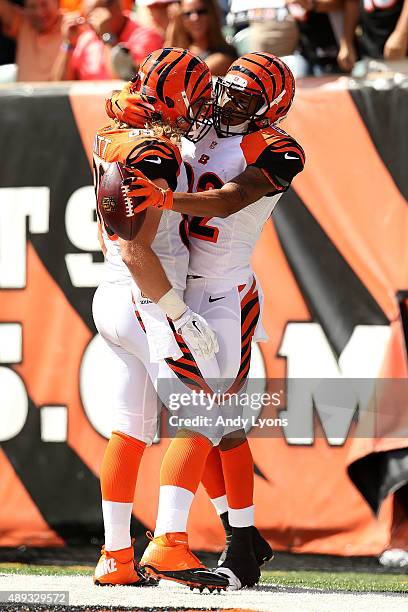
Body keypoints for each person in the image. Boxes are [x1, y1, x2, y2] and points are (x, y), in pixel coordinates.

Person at [126, 52, 305, 589]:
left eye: (245, 98)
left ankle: (177, 542)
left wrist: (161, 198)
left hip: (226, 293)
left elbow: (228, 201)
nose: (227, 103)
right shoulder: (191, 123)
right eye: (226, 90)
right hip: (177, 288)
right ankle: (242, 536)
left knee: (204, 420)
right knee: (218, 425)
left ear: (270, 109)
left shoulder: (279, 149)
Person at [92, 47, 228, 592]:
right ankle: (170, 545)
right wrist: (176, 312)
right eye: (192, 100)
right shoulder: (153, 150)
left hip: (111, 294)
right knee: (202, 410)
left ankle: (115, 556)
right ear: (170, 97)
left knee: (129, 428)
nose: (196, 111)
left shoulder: (114, 129)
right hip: (148, 295)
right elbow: (137, 249)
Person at [52, 0, 163, 80]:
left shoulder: (146, 37)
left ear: (116, 8)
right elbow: (60, 84)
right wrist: (68, 44)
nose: (89, 23)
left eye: (93, 17)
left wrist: (107, 36)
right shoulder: (86, 39)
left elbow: (124, 82)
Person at [165, 0, 237, 76]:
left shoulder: (225, 54)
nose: (195, 18)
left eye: (201, 12)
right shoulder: (180, 51)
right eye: (187, 14)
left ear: (211, 14)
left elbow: (192, 77)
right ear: (180, 19)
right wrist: (174, 23)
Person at [0, 0, 62, 81]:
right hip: (21, 92)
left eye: (44, 4)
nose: (39, 13)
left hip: (58, 92)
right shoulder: (23, 24)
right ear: (25, 8)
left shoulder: (72, 28)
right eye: (32, 7)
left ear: (57, 3)